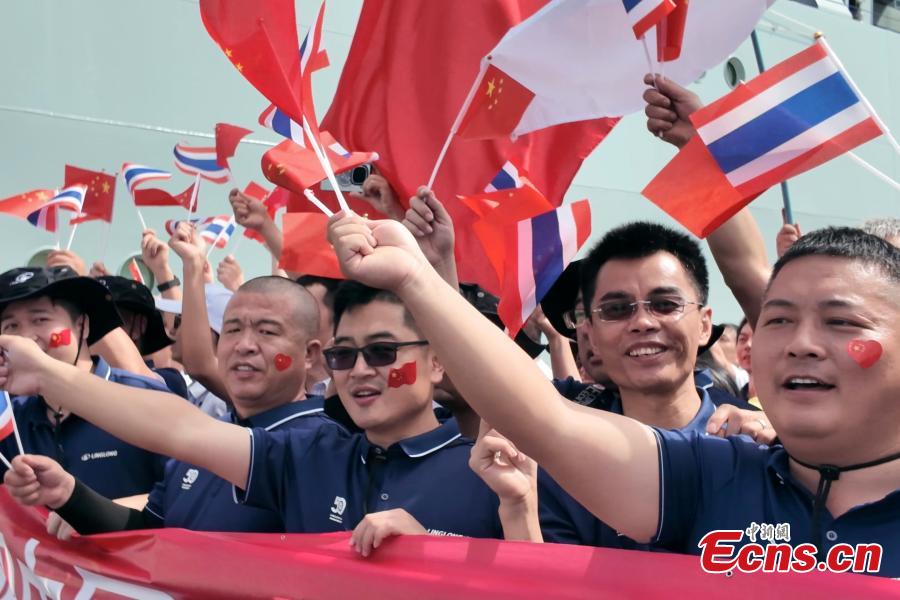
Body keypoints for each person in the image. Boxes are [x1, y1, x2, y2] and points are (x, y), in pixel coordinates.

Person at [323, 213, 900, 577]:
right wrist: (415, 279)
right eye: (777, 320)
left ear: (706, 323)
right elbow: (544, 420)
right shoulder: (712, 475)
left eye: (841, 322)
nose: (800, 344)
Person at [0, 280, 503, 557]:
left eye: (383, 351)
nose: (360, 370)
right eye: (345, 355)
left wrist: (433, 552)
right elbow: (179, 432)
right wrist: (47, 379)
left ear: (438, 362)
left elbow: (535, 574)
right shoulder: (307, 457)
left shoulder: (491, 474)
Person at [4, 275, 329, 535]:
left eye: (267, 331)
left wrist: (44, 374)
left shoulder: (322, 446)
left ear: (310, 354)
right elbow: (151, 530)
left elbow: (184, 427)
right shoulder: (200, 448)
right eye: (231, 330)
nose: (244, 345)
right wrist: (69, 495)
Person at [0, 267, 169, 499]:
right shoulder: (9, 418)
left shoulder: (143, 397)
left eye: (40, 319)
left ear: (83, 325)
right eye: (11, 326)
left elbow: (189, 497)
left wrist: (98, 512)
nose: (26, 339)